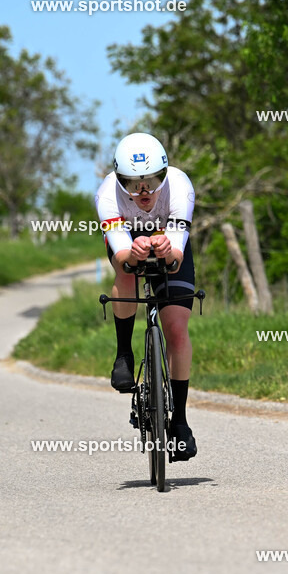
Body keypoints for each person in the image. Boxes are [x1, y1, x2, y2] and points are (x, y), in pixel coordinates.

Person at [94, 132, 197, 461]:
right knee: (126, 273)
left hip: (169, 239)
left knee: (177, 328)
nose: (144, 191)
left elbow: (178, 253)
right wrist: (134, 254)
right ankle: (123, 354)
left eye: (153, 180)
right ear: (120, 180)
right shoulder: (108, 194)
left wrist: (168, 249)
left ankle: (179, 421)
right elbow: (122, 255)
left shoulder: (180, 186)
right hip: (128, 242)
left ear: (165, 174)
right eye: (134, 183)